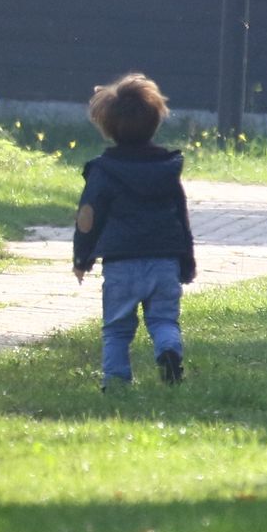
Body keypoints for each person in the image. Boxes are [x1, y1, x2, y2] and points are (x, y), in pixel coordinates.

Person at [73, 73, 197, 390]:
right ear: (155, 121)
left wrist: (81, 257)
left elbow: (88, 216)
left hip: (121, 263)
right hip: (164, 259)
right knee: (164, 320)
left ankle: (115, 380)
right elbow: (180, 216)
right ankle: (168, 350)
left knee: (116, 328)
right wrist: (186, 259)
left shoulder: (103, 171)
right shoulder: (167, 169)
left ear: (107, 126)